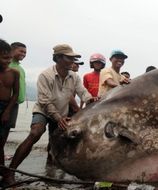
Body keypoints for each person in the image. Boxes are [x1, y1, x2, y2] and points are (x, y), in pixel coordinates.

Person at [3, 44, 98, 184]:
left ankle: (50, 170)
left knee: (55, 142)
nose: (72, 61)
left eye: (73, 58)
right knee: (36, 132)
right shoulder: (45, 75)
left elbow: (83, 93)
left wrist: (91, 99)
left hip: (61, 113)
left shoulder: (74, 77)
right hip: (43, 111)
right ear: (58, 58)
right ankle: (10, 172)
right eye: (69, 58)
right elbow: (44, 101)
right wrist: (58, 118)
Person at [0, 39, 19, 178]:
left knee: (1, 141)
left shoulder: (14, 72)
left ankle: (3, 170)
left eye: (10, 58)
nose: (8, 61)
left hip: (7, 107)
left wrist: (7, 111)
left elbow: (16, 93)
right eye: (5, 58)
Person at [8, 42, 27, 129]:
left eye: (25, 52)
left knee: (7, 127)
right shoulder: (6, 65)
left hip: (16, 103)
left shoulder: (21, 69)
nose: (23, 54)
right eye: (21, 51)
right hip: (6, 102)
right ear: (11, 50)